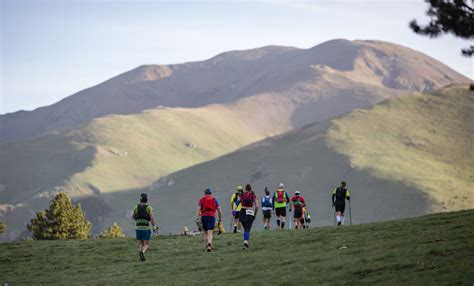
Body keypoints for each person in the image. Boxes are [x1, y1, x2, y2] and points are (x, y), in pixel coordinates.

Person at [132, 193, 157, 262]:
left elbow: (133, 217)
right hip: (145, 228)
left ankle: (140, 255)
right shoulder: (149, 208)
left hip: (138, 228)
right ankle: (142, 252)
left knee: (140, 243)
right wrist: (154, 227)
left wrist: (138, 220)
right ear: (146, 200)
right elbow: (152, 219)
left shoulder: (136, 207)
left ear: (140, 200)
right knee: (146, 244)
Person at [239, 184, 259, 249]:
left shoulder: (241, 195)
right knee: (247, 228)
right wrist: (255, 214)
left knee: (245, 228)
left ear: (245, 189)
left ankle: (246, 241)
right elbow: (257, 206)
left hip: (242, 212)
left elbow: (237, 202)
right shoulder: (253, 195)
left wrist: (234, 210)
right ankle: (245, 241)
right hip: (250, 211)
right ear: (251, 189)